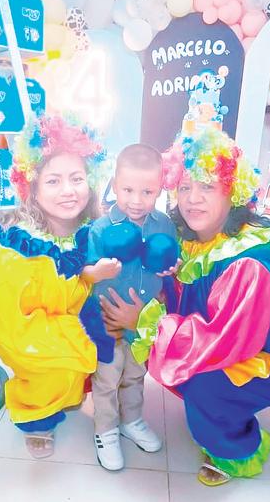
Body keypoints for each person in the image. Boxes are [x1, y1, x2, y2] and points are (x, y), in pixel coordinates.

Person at [99, 128, 270, 485]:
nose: (193, 199)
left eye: (207, 186)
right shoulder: (192, 239)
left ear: (232, 190)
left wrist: (143, 320)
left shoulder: (248, 261)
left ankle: (238, 449)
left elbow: (220, 340)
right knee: (176, 363)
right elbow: (187, 299)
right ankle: (217, 406)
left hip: (267, 361)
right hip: (223, 343)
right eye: (184, 187)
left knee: (203, 383)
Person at [0, 114, 115, 459]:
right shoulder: (18, 251)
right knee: (46, 378)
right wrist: (75, 330)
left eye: (77, 178)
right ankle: (38, 420)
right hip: (37, 339)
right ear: (32, 187)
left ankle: (72, 391)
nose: (68, 190)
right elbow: (13, 325)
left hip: (71, 324)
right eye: (54, 181)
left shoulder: (88, 232)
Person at [82, 144, 178, 471]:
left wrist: (172, 268)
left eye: (147, 192)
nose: (136, 200)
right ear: (114, 184)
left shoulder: (164, 225)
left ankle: (132, 420)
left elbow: (171, 261)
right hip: (108, 322)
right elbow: (85, 274)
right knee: (107, 378)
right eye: (127, 190)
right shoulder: (100, 228)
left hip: (142, 322)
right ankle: (105, 429)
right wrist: (98, 272)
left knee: (136, 375)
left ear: (160, 189)